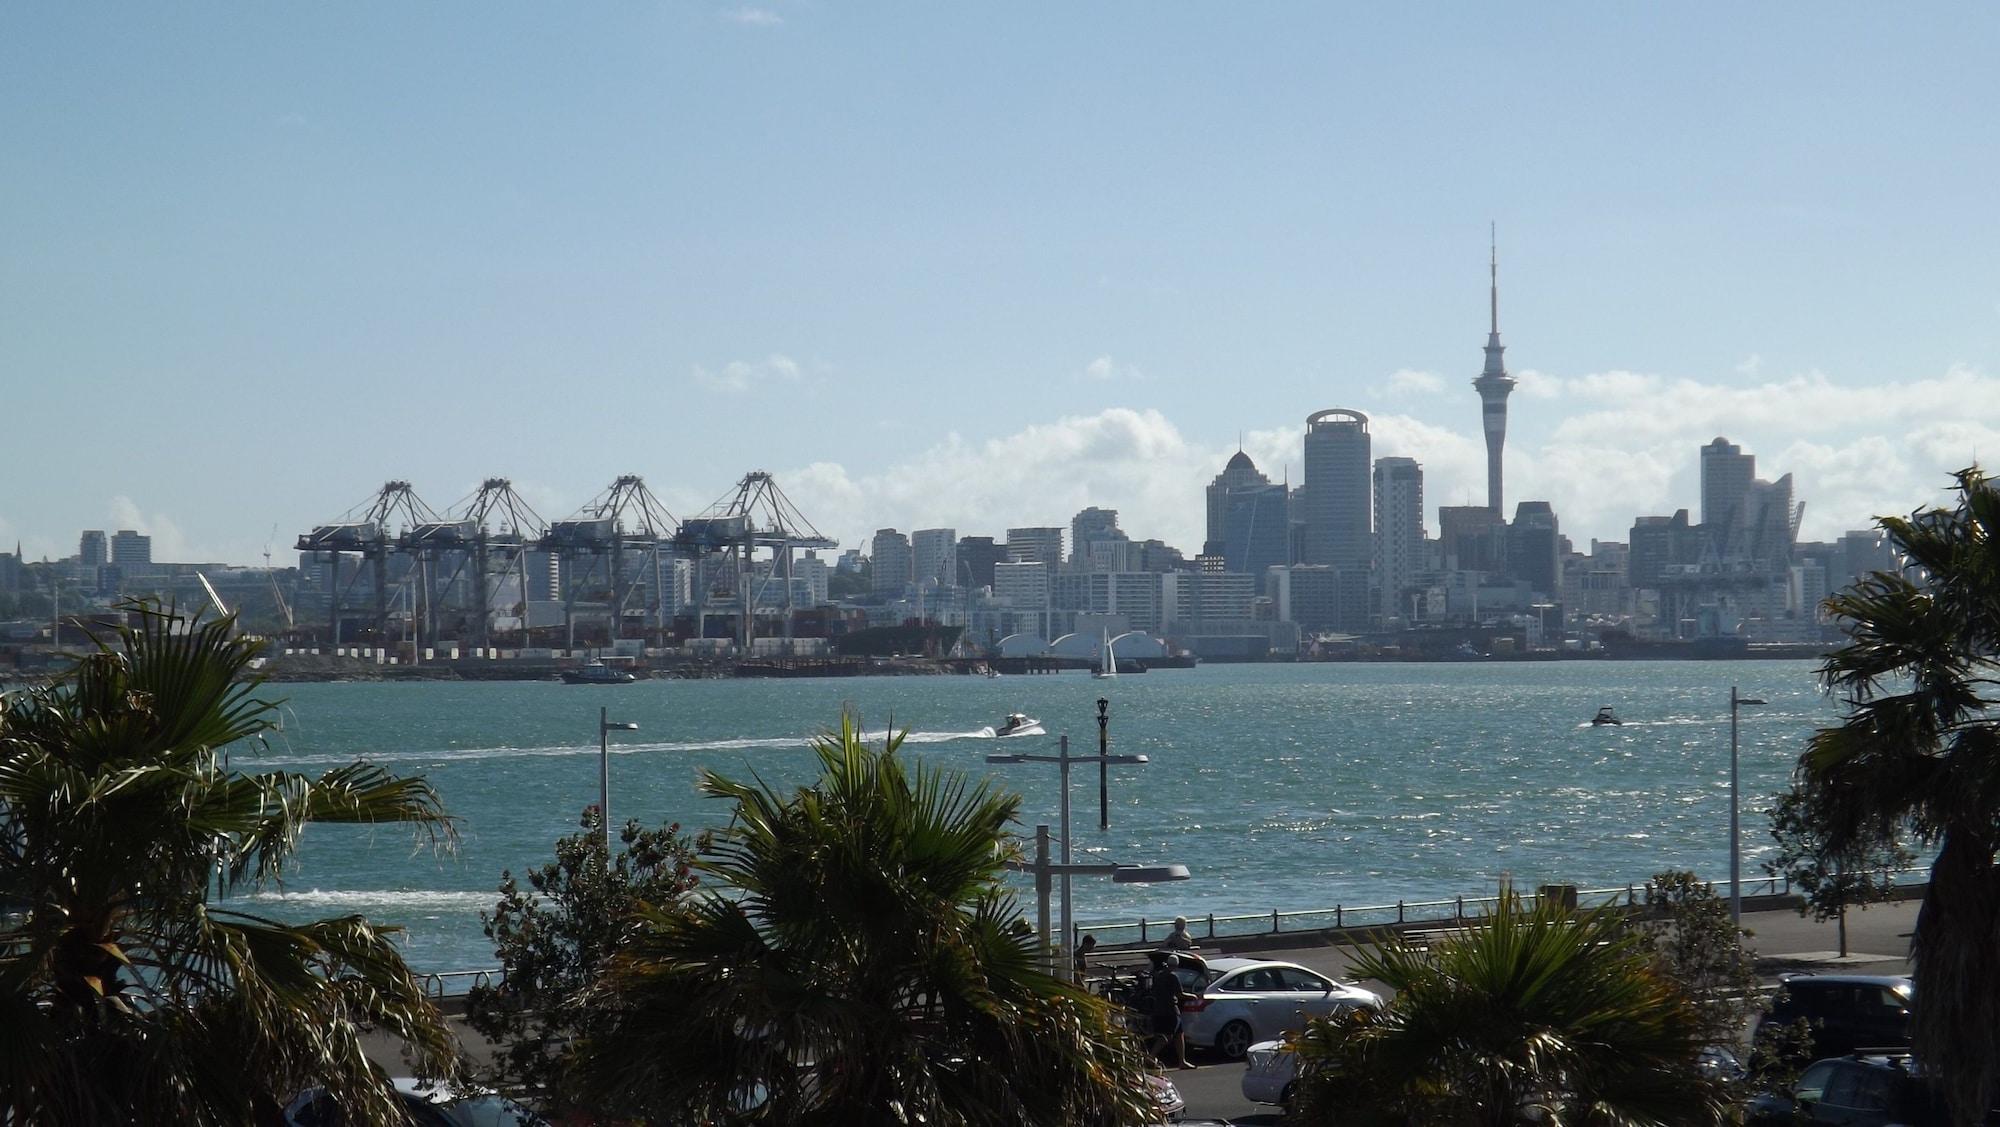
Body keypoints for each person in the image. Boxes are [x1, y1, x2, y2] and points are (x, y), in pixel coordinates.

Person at [1147, 952, 1196, 1070]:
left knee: (1179, 1034)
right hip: (1170, 1010)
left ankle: (1182, 1061)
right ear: (1176, 966)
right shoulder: (1173, 976)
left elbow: (1153, 991)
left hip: (1158, 1009)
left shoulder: (1159, 975)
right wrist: (1193, 996)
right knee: (1167, 1036)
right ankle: (1150, 1056)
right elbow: (1180, 994)